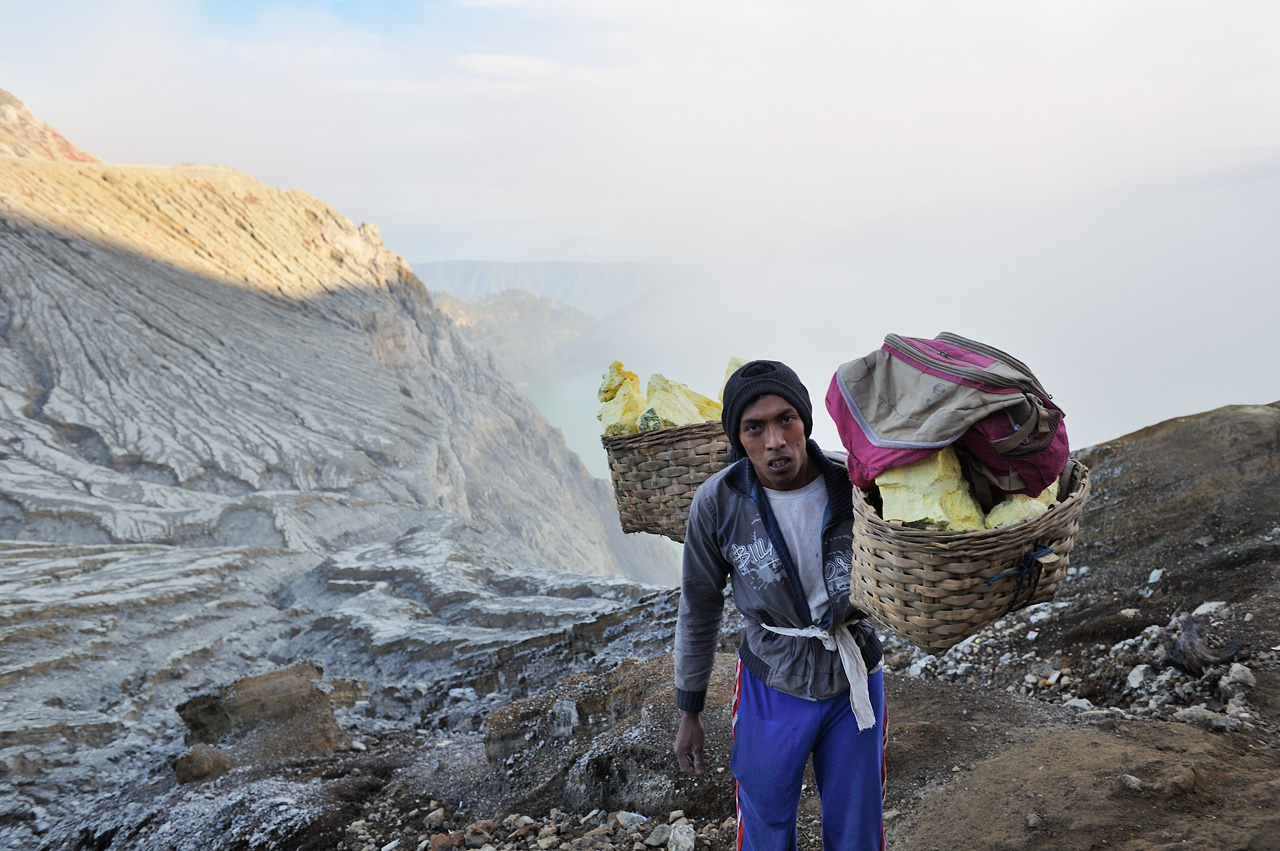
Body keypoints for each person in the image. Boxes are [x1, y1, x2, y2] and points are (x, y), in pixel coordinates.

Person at [672, 360, 886, 851]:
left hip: (853, 679)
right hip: (772, 680)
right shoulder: (719, 502)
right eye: (755, 427)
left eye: (785, 419)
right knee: (765, 826)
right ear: (738, 438)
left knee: (857, 830)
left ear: (805, 422)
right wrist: (690, 708)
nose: (774, 440)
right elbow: (699, 606)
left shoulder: (855, 487)